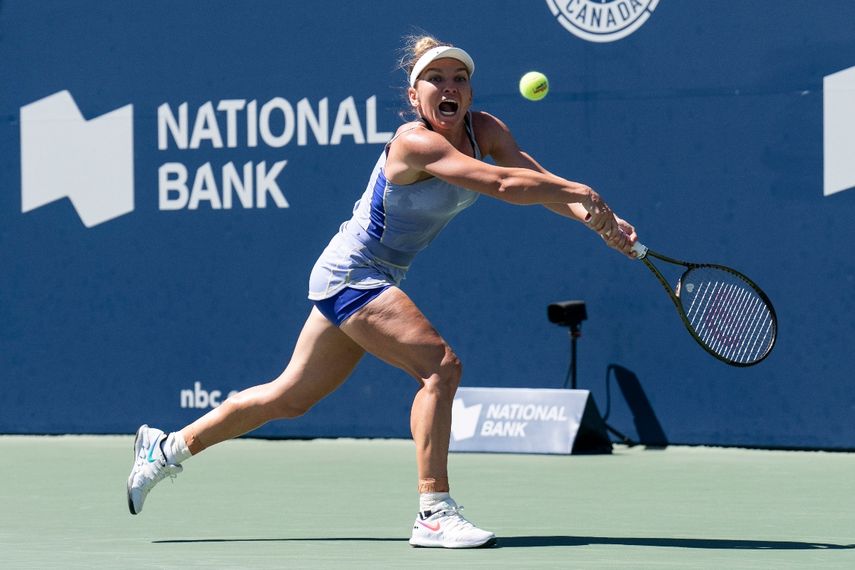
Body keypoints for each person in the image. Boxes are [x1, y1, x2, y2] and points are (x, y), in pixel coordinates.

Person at [127, 34, 637, 549]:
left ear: (471, 92)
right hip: (352, 273)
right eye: (434, 79)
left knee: (289, 397)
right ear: (414, 97)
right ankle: (434, 511)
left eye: (459, 78)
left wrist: (601, 221)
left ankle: (165, 449)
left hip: (374, 279)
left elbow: (535, 180)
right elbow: (503, 186)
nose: (449, 86)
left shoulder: (485, 131)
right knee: (440, 367)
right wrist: (584, 194)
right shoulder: (414, 142)